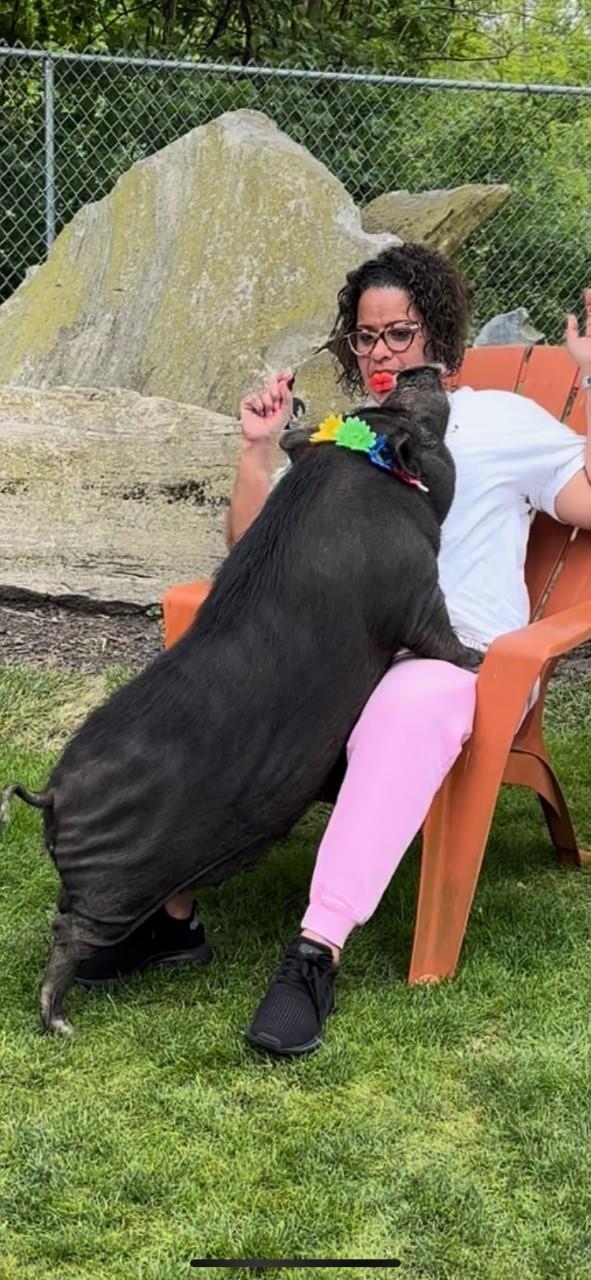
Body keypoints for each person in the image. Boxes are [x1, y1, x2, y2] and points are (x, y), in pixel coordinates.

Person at [74, 245, 591, 1060]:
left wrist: (590, 381)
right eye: (365, 337)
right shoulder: (344, 438)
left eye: (399, 334)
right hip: (338, 658)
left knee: (407, 697)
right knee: (219, 687)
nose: (380, 353)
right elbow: (252, 547)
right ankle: (169, 919)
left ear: (437, 335)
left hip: (463, 668)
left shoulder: (500, 421)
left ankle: (315, 952)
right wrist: (256, 447)